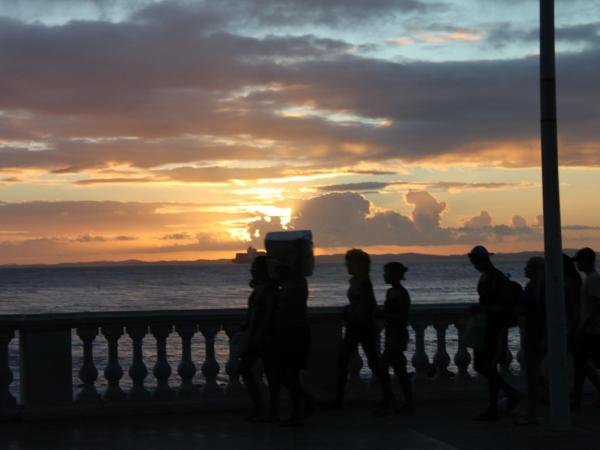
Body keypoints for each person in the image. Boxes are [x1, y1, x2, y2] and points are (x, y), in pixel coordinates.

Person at [331, 249, 395, 411]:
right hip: (355, 325)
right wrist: (348, 311)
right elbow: (356, 303)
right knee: (350, 361)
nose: (347, 266)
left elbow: (368, 305)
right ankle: (387, 396)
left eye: (349, 263)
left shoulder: (364, 282)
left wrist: (356, 316)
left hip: (362, 326)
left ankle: (388, 397)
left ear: (359, 264)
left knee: (369, 361)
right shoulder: (355, 281)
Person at [468, 245, 521, 421]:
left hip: (495, 328)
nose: (473, 264)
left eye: (475, 260)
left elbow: (503, 306)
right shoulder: (486, 277)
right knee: (482, 365)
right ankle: (508, 394)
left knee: (487, 366)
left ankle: (495, 406)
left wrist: (482, 309)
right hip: (486, 327)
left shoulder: (497, 278)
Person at [272, 257, 315, 426]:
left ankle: (299, 411)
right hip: (287, 333)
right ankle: (306, 402)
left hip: (296, 333)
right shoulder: (287, 286)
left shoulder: (297, 284)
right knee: (283, 374)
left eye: (280, 270)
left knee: (291, 374)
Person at [238, 255, 280, 422]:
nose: (251, 269)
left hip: (267, 337)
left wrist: (260, 332)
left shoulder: (270, 289)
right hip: (257, 335)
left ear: (263, 270)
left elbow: (269, 314)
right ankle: (260, 406)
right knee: (246, 369)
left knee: (272, 374)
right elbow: (254, 312)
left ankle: (270, 410)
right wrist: (246, 325)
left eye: (254, 267)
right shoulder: (260, 288)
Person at [515, 257, 547, 425]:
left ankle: (532, 413)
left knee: (532, 373)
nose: (525, 269)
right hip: (532, 332)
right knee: (532, 371)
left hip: (537, 333)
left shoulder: (540, 290)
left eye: (528, 266)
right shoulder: (534, 288)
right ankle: (546, 398)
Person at [381, 262, 415, 413]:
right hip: (391, 334)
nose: (384, 275)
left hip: (397, 334)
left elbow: (402, 317)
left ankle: (391, 400)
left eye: (386, 273)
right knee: (399, 370)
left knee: (384, 367)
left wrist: (383, 315)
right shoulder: (390, 292)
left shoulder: (401, 293)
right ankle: (406, 401)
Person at [572, 247, 600, 410]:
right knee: (581, 364)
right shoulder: (589, 279)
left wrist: (583, 326)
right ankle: (577, 399)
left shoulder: (594, 280)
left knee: (582, 364)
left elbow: (596, 305)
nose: (577, 265)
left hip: (592, 331)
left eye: (579, 261)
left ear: (587, 261)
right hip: (589, 330)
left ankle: (577, 400)